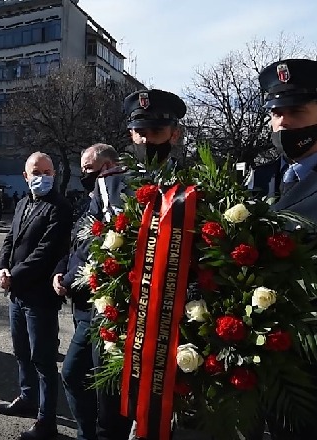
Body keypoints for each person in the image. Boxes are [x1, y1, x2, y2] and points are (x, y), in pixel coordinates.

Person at [245, 59, 317, 440]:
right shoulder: (256, 178)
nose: (283, 123)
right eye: (276, 113)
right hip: (244, 350)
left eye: (295, 111)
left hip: (306, 358)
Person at [88, 89, 187, 440]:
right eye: (139, 133)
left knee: (165, 416)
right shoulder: (109, 183)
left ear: (174, 133)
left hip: (174, 320)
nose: (146, 140)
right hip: (119, 314)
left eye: (155, 133)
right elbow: (89, 238)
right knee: (110, 412)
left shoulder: (196, 182)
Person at [0, 152, 73, 440]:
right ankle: (27, 399)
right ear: (25, 176)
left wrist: (14, 274)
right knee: (21, 352)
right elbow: (9, 240)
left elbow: (48, 251)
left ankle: (46, 420)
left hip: (39, 296)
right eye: (36, 172)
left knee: (43, 358)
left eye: (48, 171)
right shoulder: (23, 203)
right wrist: (1, 268)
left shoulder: (59, 207)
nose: (43, 176)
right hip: (16, 294)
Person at [52, 144, 118, 440]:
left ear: (107, 167)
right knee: (81, 376)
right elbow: (76, 245)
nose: (83, 175)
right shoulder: (89, 201)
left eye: (89, 169)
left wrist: (67, 277)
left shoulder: (117, 200)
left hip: (102, 309)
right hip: (81, 305)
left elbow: (97, 249)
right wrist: (60, 271)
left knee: (76, 374)